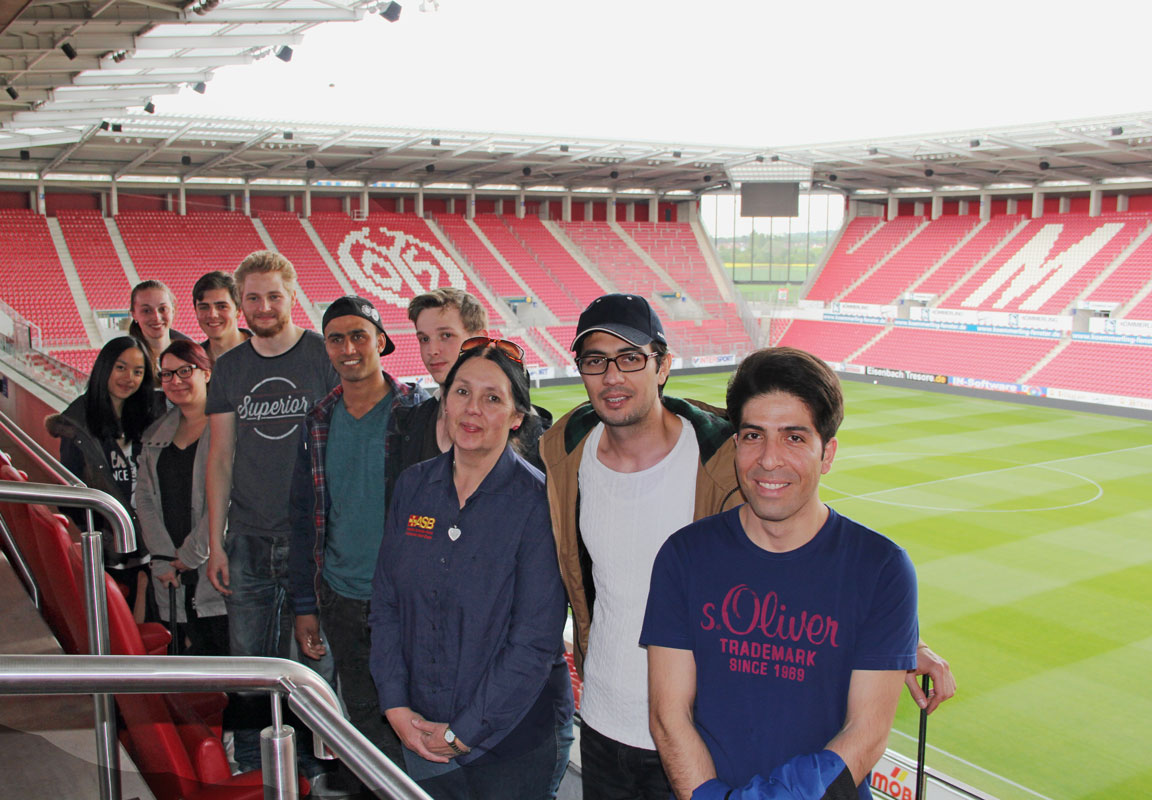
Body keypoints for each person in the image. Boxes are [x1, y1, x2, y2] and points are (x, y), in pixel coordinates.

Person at [539, 294, 956, 800]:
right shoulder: (564, 450)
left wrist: (901, 642)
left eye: (630, 358)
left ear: (663, 364)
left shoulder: (717, 453)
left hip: (695, 741)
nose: (612, 376)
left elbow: (811, 552)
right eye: (594, 361)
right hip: (607, 718)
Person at [641, 347, 920, 800]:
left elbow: (866, 734)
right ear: (735, 445)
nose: (769, 460)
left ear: (827, 453)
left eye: (794, 438)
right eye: (753, 436)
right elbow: (668, 716)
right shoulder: (684, 556)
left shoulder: (883, 569)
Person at [370, 339, 572, 800]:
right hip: (418, 732)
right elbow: (385, 606)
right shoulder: (414, 486)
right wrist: (396, 705)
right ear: (444, 400)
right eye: (461, 392)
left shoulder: (539, 502)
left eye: (493, 398)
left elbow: (535, 641)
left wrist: (462, 732)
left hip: (510, 743)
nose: (472, 409)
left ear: (517, 417)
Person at [204, 250, 338, 773]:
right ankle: (251, 767)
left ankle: (319, 768)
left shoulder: (320, 356)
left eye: (273, 296)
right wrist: (217, 541)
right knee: (249, 665)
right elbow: (219, 458)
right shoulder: (231, 367)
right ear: (241, 302)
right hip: (250, 540)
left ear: (291, 296)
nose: (263, 306)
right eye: (253, 297)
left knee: (316, 664)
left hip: (313, 540)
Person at [288, 295, 427, 776]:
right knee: (366, 717)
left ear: (381, 342)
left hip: (407, 600)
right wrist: (306, 605)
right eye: (336, 338)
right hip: (342, 599)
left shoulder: (416, 412)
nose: (348, 348)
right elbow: (303, 516)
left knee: (420, 715)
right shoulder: (318, 419)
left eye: (358, 336)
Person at [46, 335, 159, 620]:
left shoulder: (150, 415)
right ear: (104, 367)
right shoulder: (78, 423)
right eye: (120, 368)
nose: (128, 378)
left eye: (138, 371)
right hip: (111, 548)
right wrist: (102, 533)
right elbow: (71, 494)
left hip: (154, 543)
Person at [134, 339, 227, 655]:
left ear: (207, 372)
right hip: (171, 573)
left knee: (227, 663)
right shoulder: (155, 436)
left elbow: (230, 498)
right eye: (167, 374)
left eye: (185, 371)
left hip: (215, 570)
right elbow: (144, 498)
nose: (175, 381)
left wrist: (192, 554)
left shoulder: (229, 429)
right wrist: (162, 558)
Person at [385, 288, 488, 498]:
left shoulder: (519, 427)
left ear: (479, 340)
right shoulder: (410, 424)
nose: (432, 350)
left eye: (446, 336)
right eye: (424, 339)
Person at [129, 280, 190, 369]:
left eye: (163, 309)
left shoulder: (192, 355)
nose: (156, 317)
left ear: (173, 311)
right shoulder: (125, 360)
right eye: (146, 310)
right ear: (134, 314)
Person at [193, 270, 251, 361]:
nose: (212, 315)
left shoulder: (267, 351)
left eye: (222, 306)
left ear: (238, 310)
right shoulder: (192, 361)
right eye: (204, 307)